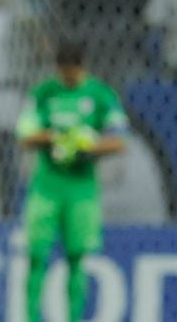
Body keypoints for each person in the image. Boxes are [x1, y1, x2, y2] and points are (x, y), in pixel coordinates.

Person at [15, 39, 128, 322]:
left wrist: (87, 147)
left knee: (77, 259)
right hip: (46, 187)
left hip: (82, 190)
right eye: (63, 73)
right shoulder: (43, 93)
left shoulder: (101, 95)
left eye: (71, 74)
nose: (67, 79)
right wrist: (55, 137)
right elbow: (26, 135)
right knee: (36, 255)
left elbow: (118, 140)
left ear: (82, 67)